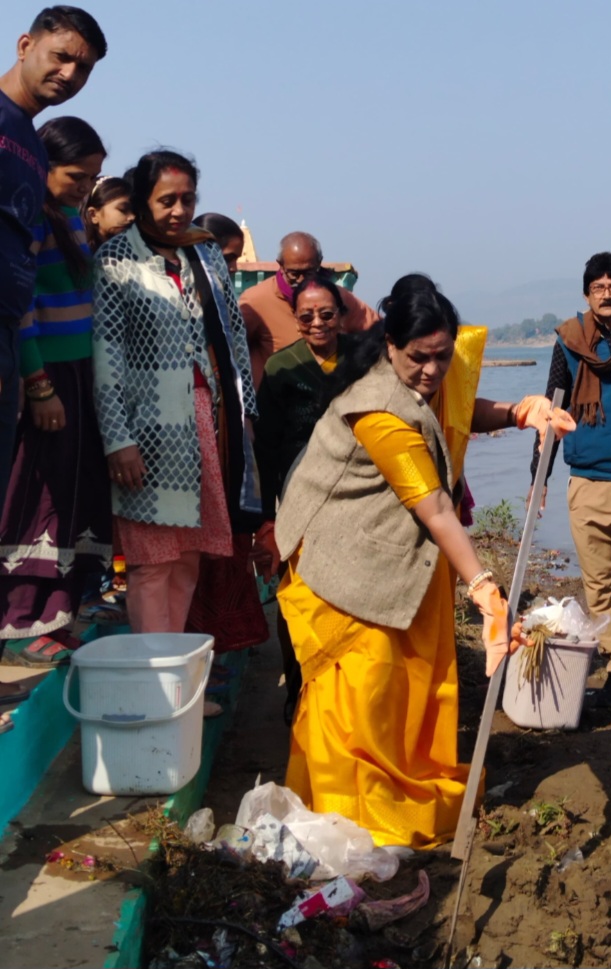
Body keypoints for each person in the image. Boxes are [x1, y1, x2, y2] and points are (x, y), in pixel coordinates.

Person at [275, 273, 574, 847]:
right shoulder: (378, 411)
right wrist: (484, 588)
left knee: (404, 686)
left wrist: (519, 412)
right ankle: (357, 816)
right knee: (358, 696)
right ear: (391, 344)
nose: (433, 370)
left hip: (384, 554)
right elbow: (435, 506)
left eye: (442, 356)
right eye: (420, 358)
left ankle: (398, 781)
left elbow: (453, 413)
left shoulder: (413, 381)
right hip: (339, 563)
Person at [92, 150, 259, 643]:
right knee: (151, 563)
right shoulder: (116, 259)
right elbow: (105, 355)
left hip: (206, 422)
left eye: (188, 199)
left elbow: (234, 339)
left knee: (188, 558)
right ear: (143, 200)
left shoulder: (205, 254)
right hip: (145, 429)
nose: (180, 210)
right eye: (167, 200)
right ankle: (153, 673)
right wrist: (117, 440)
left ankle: (175, 670)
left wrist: (246, 417)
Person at [0, 117, 110, 674]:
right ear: (43, 164)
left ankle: (52, 616)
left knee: (69, 498)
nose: (84, 187)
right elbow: (20, 308)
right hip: (45, 377)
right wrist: (39, 384)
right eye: (76, 176)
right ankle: (18, 623)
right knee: (33, 500)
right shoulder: (30, 219)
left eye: (93, 179)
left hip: (78, 373)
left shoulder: (69, 217)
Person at [529, 252, 611, 707]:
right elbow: (551, 412)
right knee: (600, 584)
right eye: (598, 287)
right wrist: (539, 476)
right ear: (586, 295)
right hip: (589, 481)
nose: (606, 294)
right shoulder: (569, 341)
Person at [0, 5, 106, 514]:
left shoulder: (31, 145)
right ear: (25, 46)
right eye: (61, 56)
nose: (69, 74)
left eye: (83, 68)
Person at [253, 274, 355, 722]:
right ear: (295, 320)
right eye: (307, 315)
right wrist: (266, 517)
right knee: (297, 594)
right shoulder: (282, 367)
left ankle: (342, 694)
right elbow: (265, 446)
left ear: (342, 316)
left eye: (327, 314)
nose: (318, 323)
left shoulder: (362, 360)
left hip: (355, 499)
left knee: (348, 595)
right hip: (298, 501)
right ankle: (298, 692)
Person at [183, 211, 268, 656]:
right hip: (199, 427)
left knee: (229, 532)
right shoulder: (185, 298)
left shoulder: (225, 301)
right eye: (229, 257)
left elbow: (238, 369)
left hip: (228, 426)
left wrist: (244, 419)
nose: (233, 267)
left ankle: (221, 644)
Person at [239, 231, 379, 387]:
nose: (301, 280)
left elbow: (378, 332)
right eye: (294, 274)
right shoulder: (256, 301)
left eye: (308, 273)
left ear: (319, 263)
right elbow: (233, 348)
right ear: (281, 265)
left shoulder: (337, 296)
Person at [82, 175, 132, 251]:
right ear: (93, 215)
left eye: (134, 210)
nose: (132, 217)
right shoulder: (80, 253)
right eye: (123, 209)